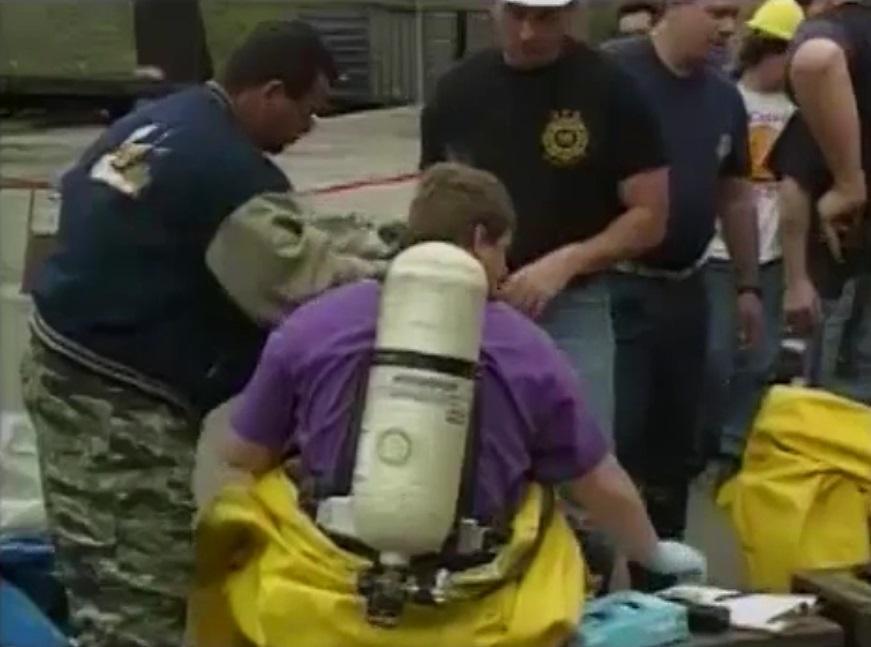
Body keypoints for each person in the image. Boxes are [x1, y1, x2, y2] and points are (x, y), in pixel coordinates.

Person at [221, 162, 706, 644]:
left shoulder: (315, 324)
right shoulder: (527, 348)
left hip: (323, 593)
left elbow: (243, 455)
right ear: (479, 239)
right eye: (503, 252)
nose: (507, 270)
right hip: (475, 600)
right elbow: (599, 484)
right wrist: (653, 553)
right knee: (560, 521)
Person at [19, 21, 388, 647]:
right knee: (140, 597)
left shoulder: (169, 118)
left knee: (96, 568)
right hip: (116, 408)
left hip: (68, 365)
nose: (310, 128)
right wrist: (396, 274)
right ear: (272, 94)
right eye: (310, 108)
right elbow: (298, 284)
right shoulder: (227, 174)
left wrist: (374, 239)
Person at [420, 0, 669, 441]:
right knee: (466, 453)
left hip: (572, 306)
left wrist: (569, 261)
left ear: (574, 13)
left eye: (545, 18)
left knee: (583, 454)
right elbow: (431, 200)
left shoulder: (611, 89)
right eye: (516, 15)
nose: (529, 33)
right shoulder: (456, 92)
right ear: (492, 9)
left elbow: (649, 216)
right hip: (473, 303)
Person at [604, 0, 763, 542]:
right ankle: (592, 583)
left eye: (736, 16)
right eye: (716, 12)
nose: (728, 28)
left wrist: (747, 285)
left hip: (687, 290)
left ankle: (666, 583)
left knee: (678, 448)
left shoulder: (724, 96)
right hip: (614, 290)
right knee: (613, 442)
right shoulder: (610, 76)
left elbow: (735, 195)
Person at [703, 0, 804, 466]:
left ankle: (734, 444)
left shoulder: (800, 110)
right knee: (717, 353)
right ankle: (703, 437)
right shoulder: (726, 98)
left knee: (761, 359)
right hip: (721, 251)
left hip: (775, 253)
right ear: (773, 50)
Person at [777, 0, 871, 401]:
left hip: (847, 274)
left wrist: (850, 183)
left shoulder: (838, 31)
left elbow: (817, 59)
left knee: (835, 406)